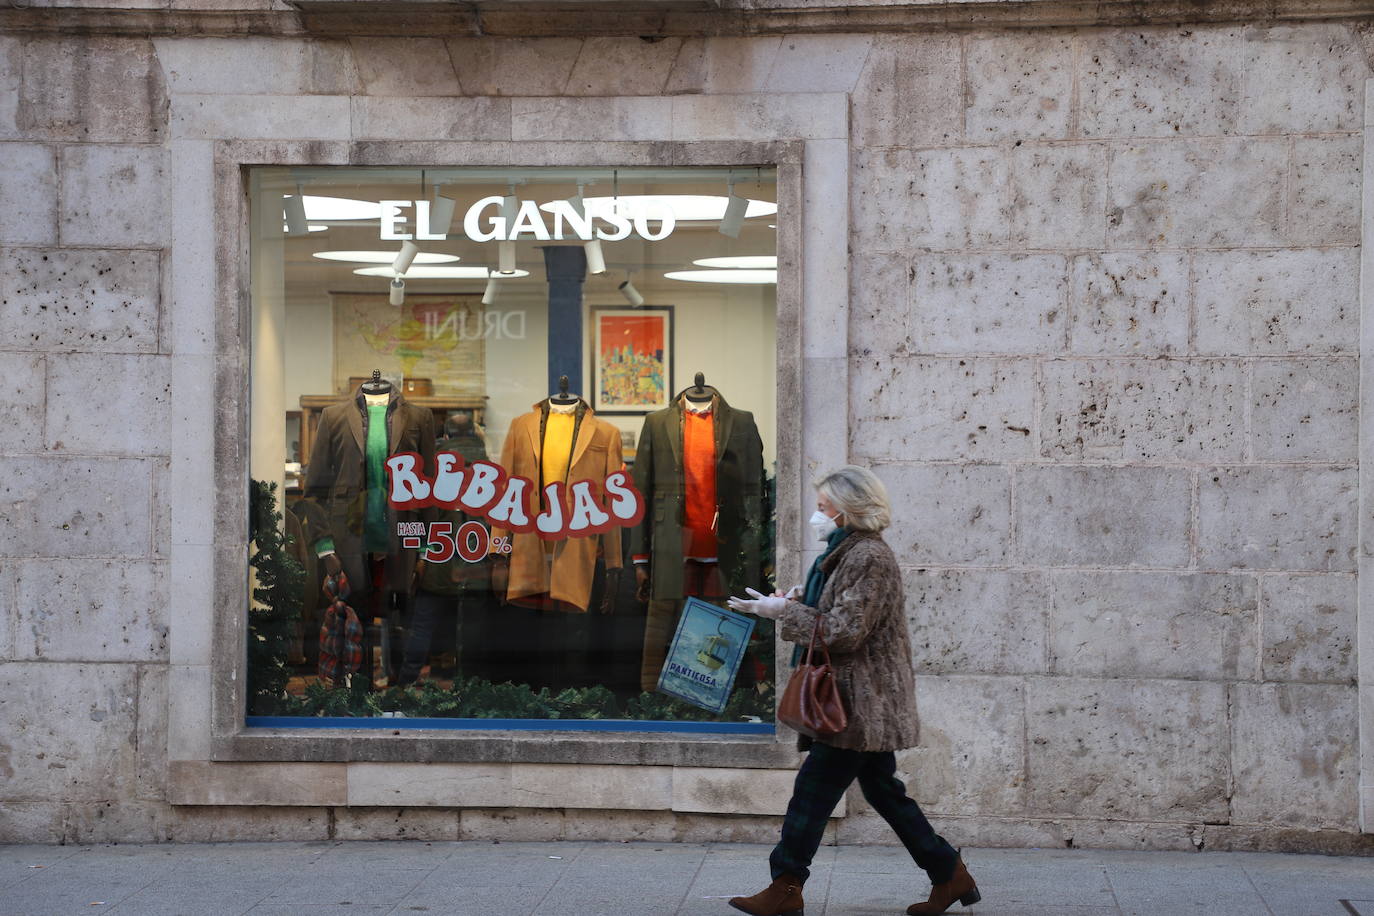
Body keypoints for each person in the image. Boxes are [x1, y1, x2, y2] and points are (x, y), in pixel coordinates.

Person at [726, 465, 980, 916]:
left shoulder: (868, 557)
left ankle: (786, 886)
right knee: (884, 791)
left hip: (859, 703)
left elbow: (844, 631)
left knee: (813, 792)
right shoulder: (845, 554)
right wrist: (796, 603)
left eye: (824, 508)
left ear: (849, 511)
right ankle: (948, 872)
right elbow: (836, 615)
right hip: (856, 699)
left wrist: (782, 613)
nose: (816, 516)